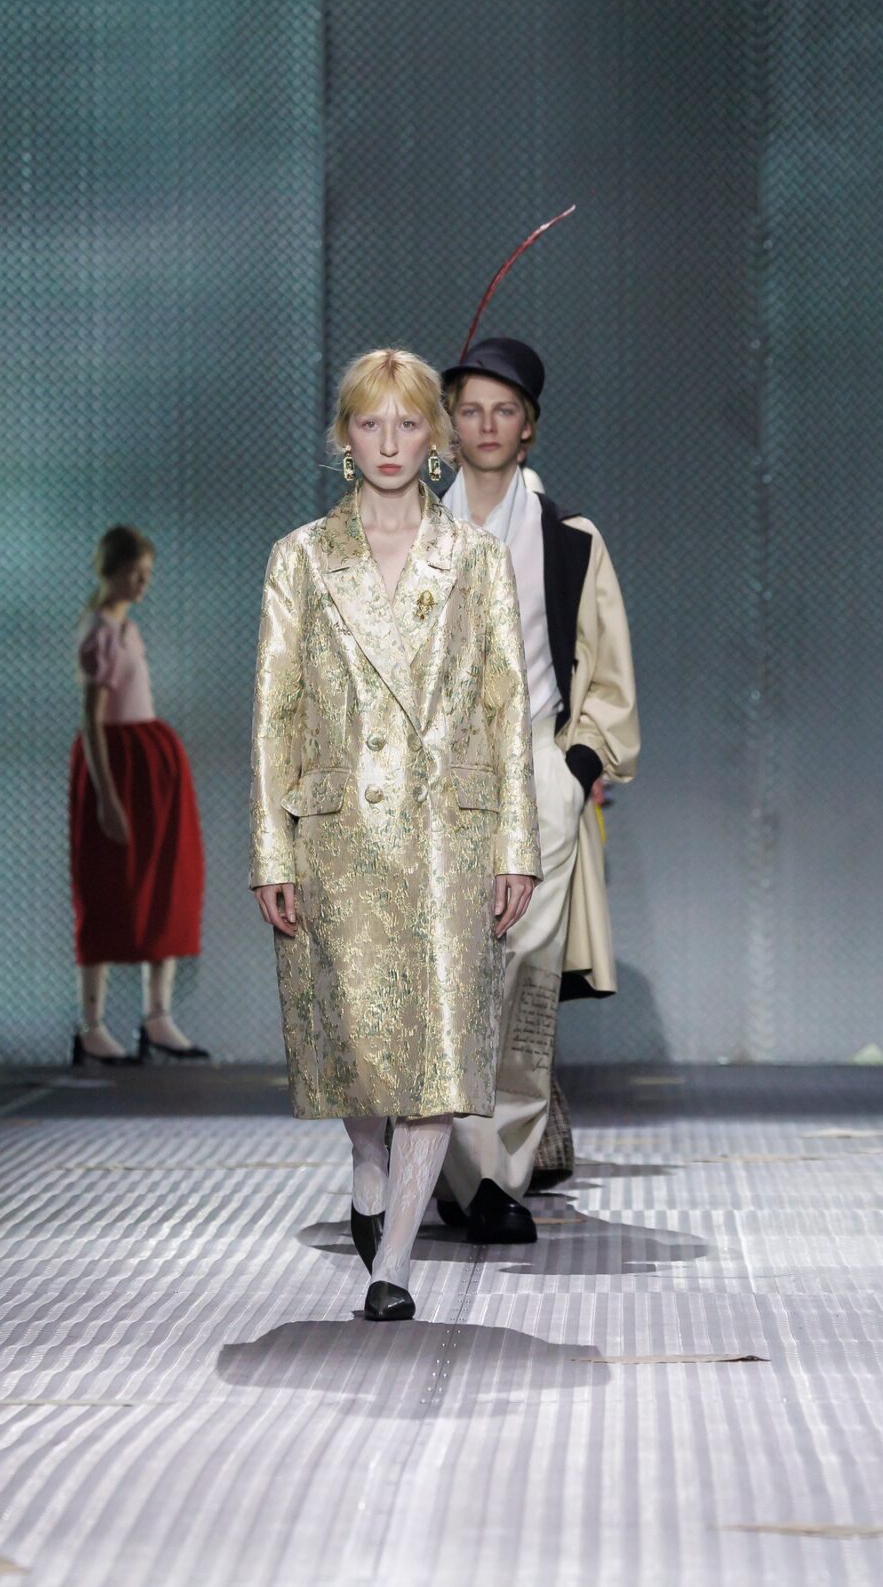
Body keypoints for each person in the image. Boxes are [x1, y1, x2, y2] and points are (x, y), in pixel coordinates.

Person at [249, 348, 540, 1322]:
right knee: (359, 1052)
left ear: (436, 437)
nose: (388, 442)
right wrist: (271, 848)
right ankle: (367, 1163)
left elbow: (506, 707)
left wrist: (515, 844)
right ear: (345, 436)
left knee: (437, 1055)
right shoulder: (300, 558)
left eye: (408, 423)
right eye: (370, 423)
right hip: (339, 837)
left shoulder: (476, 559)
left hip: (446, 837)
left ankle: (396, 1264)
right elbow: (274, 714)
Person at [436, 337, 639, 1239]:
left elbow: (610, 677)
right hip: (431, 779)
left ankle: (494, 1176)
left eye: (504, 410)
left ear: (529, 427)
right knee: (442, 975)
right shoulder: (405, 530)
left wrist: (572, 769)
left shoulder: (571, 540)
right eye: (471, 409)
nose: (486, 425)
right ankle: (446, 1168)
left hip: (536, 771)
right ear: (450, 424)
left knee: (521, 978)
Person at [69, 525, 208, 1064]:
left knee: (168, 883)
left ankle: (157, 1015)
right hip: (120, 766)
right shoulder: (101, 634)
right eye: (135, 574)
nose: (143, 584)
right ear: (111, 571)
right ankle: (91, 1023)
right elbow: (93, 719)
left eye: (147, 574)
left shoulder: (127, 629)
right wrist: (107, 796)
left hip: (150, 765)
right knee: (107, 889)